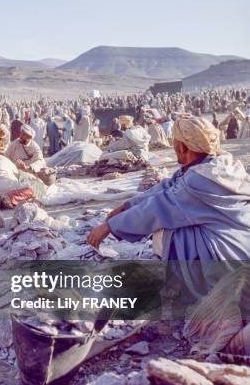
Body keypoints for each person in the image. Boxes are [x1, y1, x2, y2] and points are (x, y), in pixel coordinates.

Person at [87, 116, 250, 294]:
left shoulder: (199, 180)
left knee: (168, 232)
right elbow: (168, 187)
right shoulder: (216, 163)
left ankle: (193, 283)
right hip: (241, 241)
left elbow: (158, 207)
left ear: (181, 146)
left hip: (228, 255)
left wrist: (109, 227)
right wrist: (127, 205)